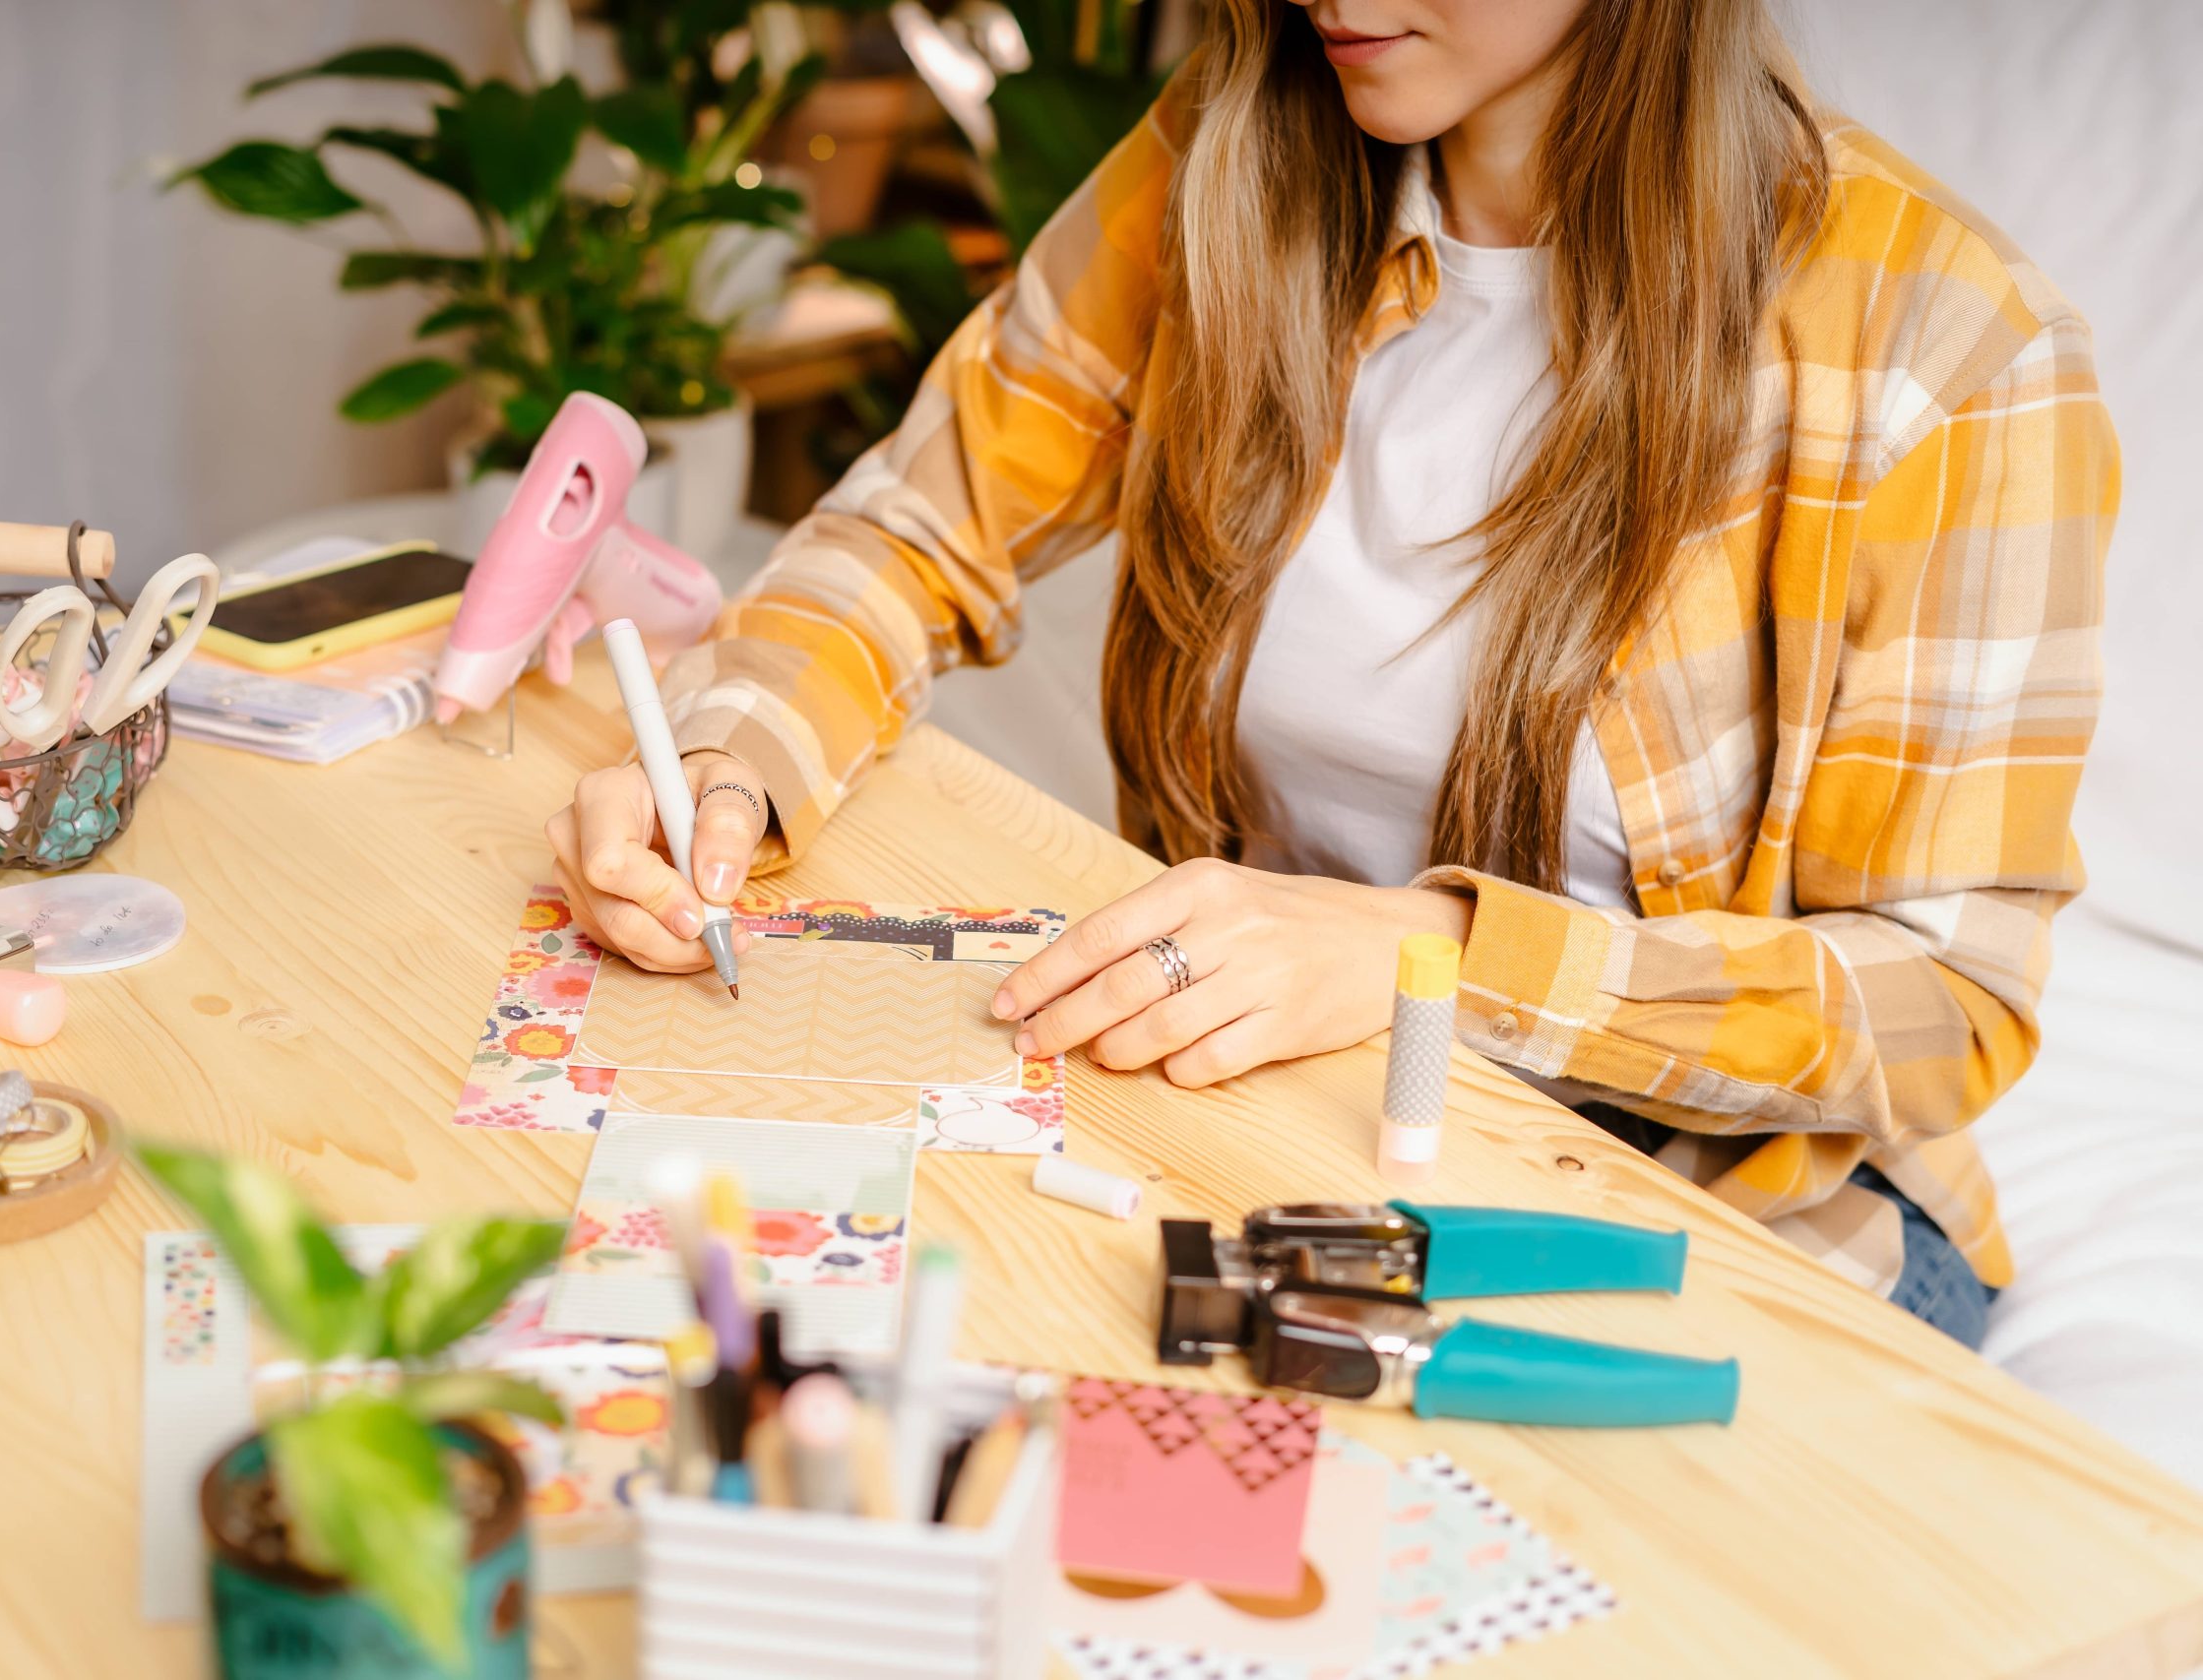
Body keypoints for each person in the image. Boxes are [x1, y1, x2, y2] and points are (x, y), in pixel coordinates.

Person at [543, 0, 2115, 1346]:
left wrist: (1427, 953)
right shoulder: (1221, 164)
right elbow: (914, 526)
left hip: (1732, 1220)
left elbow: (1944, 999)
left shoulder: (1949, 345)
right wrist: (732, 756)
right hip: (1281, 1128)